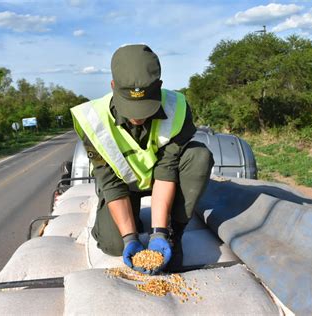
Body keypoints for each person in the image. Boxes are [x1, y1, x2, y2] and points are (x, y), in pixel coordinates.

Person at [70, 44, 214, 274]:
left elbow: (166, 171)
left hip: (166, 181)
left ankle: (175, 233)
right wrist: (129, 238)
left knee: (199, 155)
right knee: (113, 244)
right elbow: (110, 182)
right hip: (123, 187)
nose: (138, 116)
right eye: (131, 106)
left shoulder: (178, 109)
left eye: (144, 106)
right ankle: (126, 222)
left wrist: (159, 233)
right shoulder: (93, 122)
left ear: (159, 87)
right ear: (113, 86)